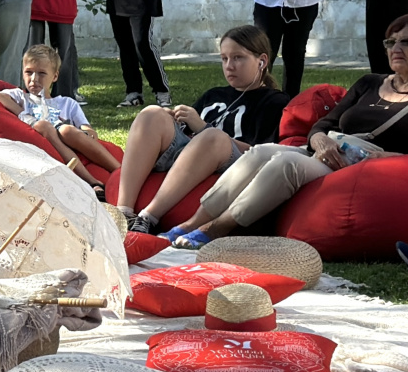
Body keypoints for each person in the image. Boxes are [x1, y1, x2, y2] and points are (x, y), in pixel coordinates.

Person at [169, 14, 408, 249]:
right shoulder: (370, 83)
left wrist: (388, 157)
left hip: (365, 166)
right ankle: (190, 223)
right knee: (260, 152)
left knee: (287, 164)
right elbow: (324, 124)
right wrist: (320, 140)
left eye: (407, 42)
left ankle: (218, 228)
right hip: (327, 152)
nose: (395, 49)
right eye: (390, 42)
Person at [111, 26, 291, 236]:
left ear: (262, 61)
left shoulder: (274, 101)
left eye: (238, 58)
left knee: (213, 136)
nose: (229, 66)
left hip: (232, 162)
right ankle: (122, 213)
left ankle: (148, 218)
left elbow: (261, 153)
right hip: (189, 155)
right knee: (152, 113)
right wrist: (172, 120)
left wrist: (204, 128)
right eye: (224, 59)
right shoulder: (214, 94)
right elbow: (185, 133)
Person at [0, 44, 117, 190]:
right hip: (40, 144)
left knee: (66, 131)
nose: (34, 79)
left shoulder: (67, 103)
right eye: (29, 72)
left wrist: (87, 133)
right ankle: (91, 181)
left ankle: (118, 169)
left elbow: (88, 129)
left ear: (55, 76)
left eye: (41, 73)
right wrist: (24, 115)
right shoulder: (21, 97)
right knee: (43, 126)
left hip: (69, 139)